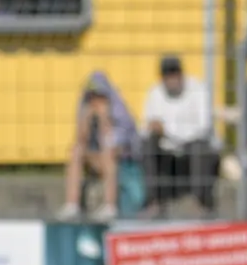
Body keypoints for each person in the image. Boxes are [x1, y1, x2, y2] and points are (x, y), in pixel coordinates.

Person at [141, 56, 218, 217]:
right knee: (147, 145)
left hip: (194, 144)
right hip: (167, 148)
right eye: (167, 77)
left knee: (200, 148)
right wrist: (158, 131)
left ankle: (200, 202)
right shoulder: (155, 92)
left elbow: (203, 127)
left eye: (174, 75)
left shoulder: (198, 89)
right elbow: (147, 127)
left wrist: (168, 131)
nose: (171, 80)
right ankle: (154, 201)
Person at [59, 72, 140, 221]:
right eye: (91, 96)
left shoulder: (120, 115)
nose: (95, 101)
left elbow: (115, 144)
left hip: (121, 162)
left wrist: (104, 120)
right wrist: (87, 120)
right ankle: (72, 204)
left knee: (107, 153)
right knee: (76, 151)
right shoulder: (86, 109)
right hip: (97, 159)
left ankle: (110, 206)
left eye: (99, 96)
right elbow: (80, 140)